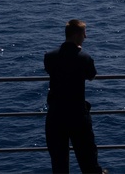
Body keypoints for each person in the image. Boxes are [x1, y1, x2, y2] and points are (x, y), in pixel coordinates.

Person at [44, 19, 106, 173]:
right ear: (77, 35)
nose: (86, 37)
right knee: (88, 160)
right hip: (77, 115)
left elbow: (49, 69)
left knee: (59, 164)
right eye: (84, 33)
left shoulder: (50, 56)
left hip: (56, 115)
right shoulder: (84, 58)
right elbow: (91, 75)